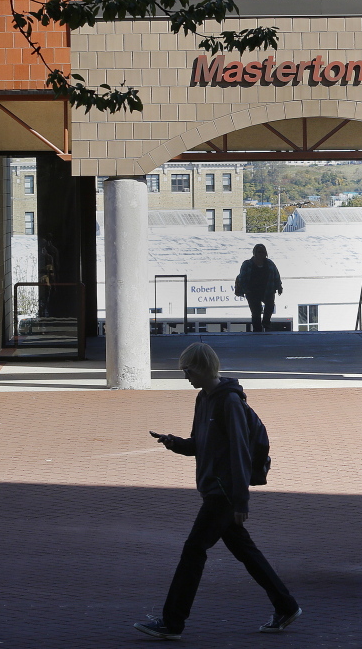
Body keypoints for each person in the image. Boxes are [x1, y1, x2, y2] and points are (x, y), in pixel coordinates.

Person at [134, 342, 300, 641]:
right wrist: (174, 442)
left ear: (201, 367)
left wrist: (241, 501)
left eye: (187, 370)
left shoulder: (230, 402)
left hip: (223, 493)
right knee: (246, 553)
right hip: (215, 488)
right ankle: (286, 606)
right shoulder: (203, 399)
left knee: (194, 550)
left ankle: (173, 622)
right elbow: (199, 444)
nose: (185, 376)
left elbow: (239, 453)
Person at [235, 244, 283, 332]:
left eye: (263, 252)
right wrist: (245, 289)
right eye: (259, 252)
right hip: (252, 292)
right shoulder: (247, 264)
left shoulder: (270, 263)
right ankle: (257, 329)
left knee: (270, 306)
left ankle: (266, 323)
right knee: (256, 311)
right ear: (254, 253)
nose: (261, 254)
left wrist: (279, 287)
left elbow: (276, 275)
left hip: (268, 290)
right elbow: (242, 278)